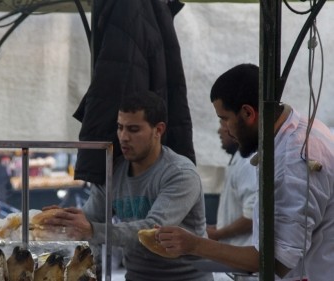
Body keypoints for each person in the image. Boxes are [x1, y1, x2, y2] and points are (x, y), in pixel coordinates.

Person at [156, 63, 334, 280]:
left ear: (248, 113)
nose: (225, 128)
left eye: (224, 118)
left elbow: (276, 261)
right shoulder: (295, 129)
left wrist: (193, 244)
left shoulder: (292, 162)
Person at [45, 91, 212, 281]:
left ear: (158, 130)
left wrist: (92, 229)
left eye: (133, 129)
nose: (123, 137)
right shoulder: (113, 171)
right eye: (120, 127)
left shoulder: (180, 174)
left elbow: (153, 231)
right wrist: (63, 219)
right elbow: (91, 217)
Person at [209, 119, 258, 281]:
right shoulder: (237, 161)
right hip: (237, 267)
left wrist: (217, 234)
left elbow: (252, 218)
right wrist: (216, 228)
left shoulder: (247, 163)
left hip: (249, 266)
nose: (219, 131)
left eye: (223, 122)